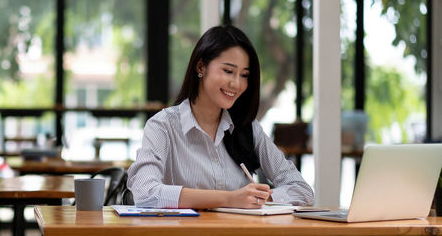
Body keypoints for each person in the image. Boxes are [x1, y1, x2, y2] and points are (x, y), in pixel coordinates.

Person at [127, 25, 314, 209]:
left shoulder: (248, 128)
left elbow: (302, 190)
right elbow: (145, 193)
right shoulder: (163, 126)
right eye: (228, 71)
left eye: (244, 75)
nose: (236, 83)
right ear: (201, 66)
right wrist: (230, 199)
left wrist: (256, 199)